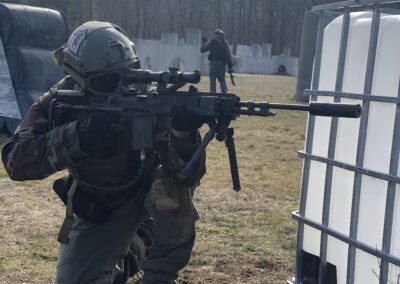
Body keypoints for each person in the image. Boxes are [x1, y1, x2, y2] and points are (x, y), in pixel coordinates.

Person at [1, 21, 206, 284]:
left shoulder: (150, 98)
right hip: (104, 204)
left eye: (127, 73)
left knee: (172, 193)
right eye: (108, 80)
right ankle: (134, 247)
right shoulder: (59, 100)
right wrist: (79, 137)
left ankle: (157, 271)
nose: (121, 84)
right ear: (80, 76)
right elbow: (15, 161)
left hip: (149, 194)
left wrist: (183, 135)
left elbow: (188, 175)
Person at [200, 28, 234, 93]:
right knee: (222, 80)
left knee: (212, 81)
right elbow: (228, 55)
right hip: (222, 64)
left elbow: (202, 50)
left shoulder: (212, 42)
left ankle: (213, 95)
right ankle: (224, 93)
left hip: (213, 64)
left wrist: (203, 42)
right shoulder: (225, 43)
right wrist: (230, 64)